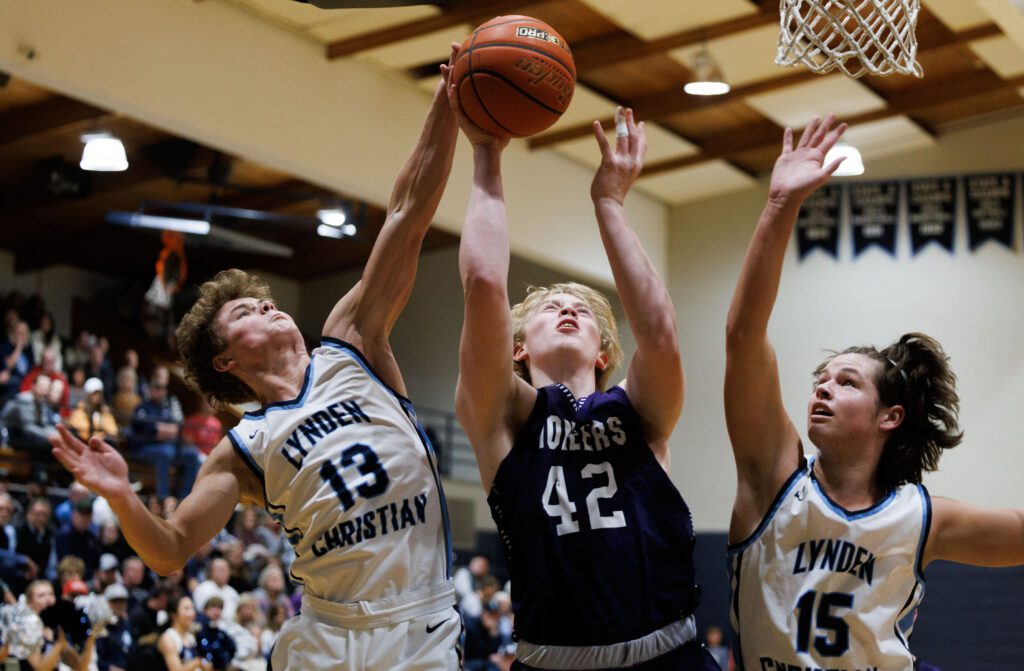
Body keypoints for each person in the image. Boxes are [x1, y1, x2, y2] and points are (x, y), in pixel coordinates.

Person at [51, 46, 462, 671]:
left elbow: (407, 214)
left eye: (266, 301)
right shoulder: (244, 445)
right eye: (244, 313)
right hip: (326, 635)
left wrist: (450, 104)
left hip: (420, 625)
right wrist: (122, 499)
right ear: (224, 364)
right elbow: (170, 550)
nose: (267, 308)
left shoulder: (352, 343)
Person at [724, 115, 1024, 670]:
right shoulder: (773, 477)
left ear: (890, 417)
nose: (823, 389)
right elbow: (744, 338)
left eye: (846, 382)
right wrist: (779, 206)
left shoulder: (922, 516)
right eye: (820, 379)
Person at [452, 97, 717, 668]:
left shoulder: (640, 411)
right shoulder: (503, 416)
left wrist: (610, 204)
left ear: (605, 351)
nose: (568, 309)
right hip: (553, 658)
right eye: (551, 307)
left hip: (668, 653)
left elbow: (661, 331)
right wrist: (486, 153)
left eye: (584, 311)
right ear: (518, 346)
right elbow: (481, 283)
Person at [156, 594, 210, 671]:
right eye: (187, 609)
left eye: (193, 608)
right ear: (173, 614)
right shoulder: (168, 638)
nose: (192, 613)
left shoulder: (190, 636)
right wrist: (197, 662)